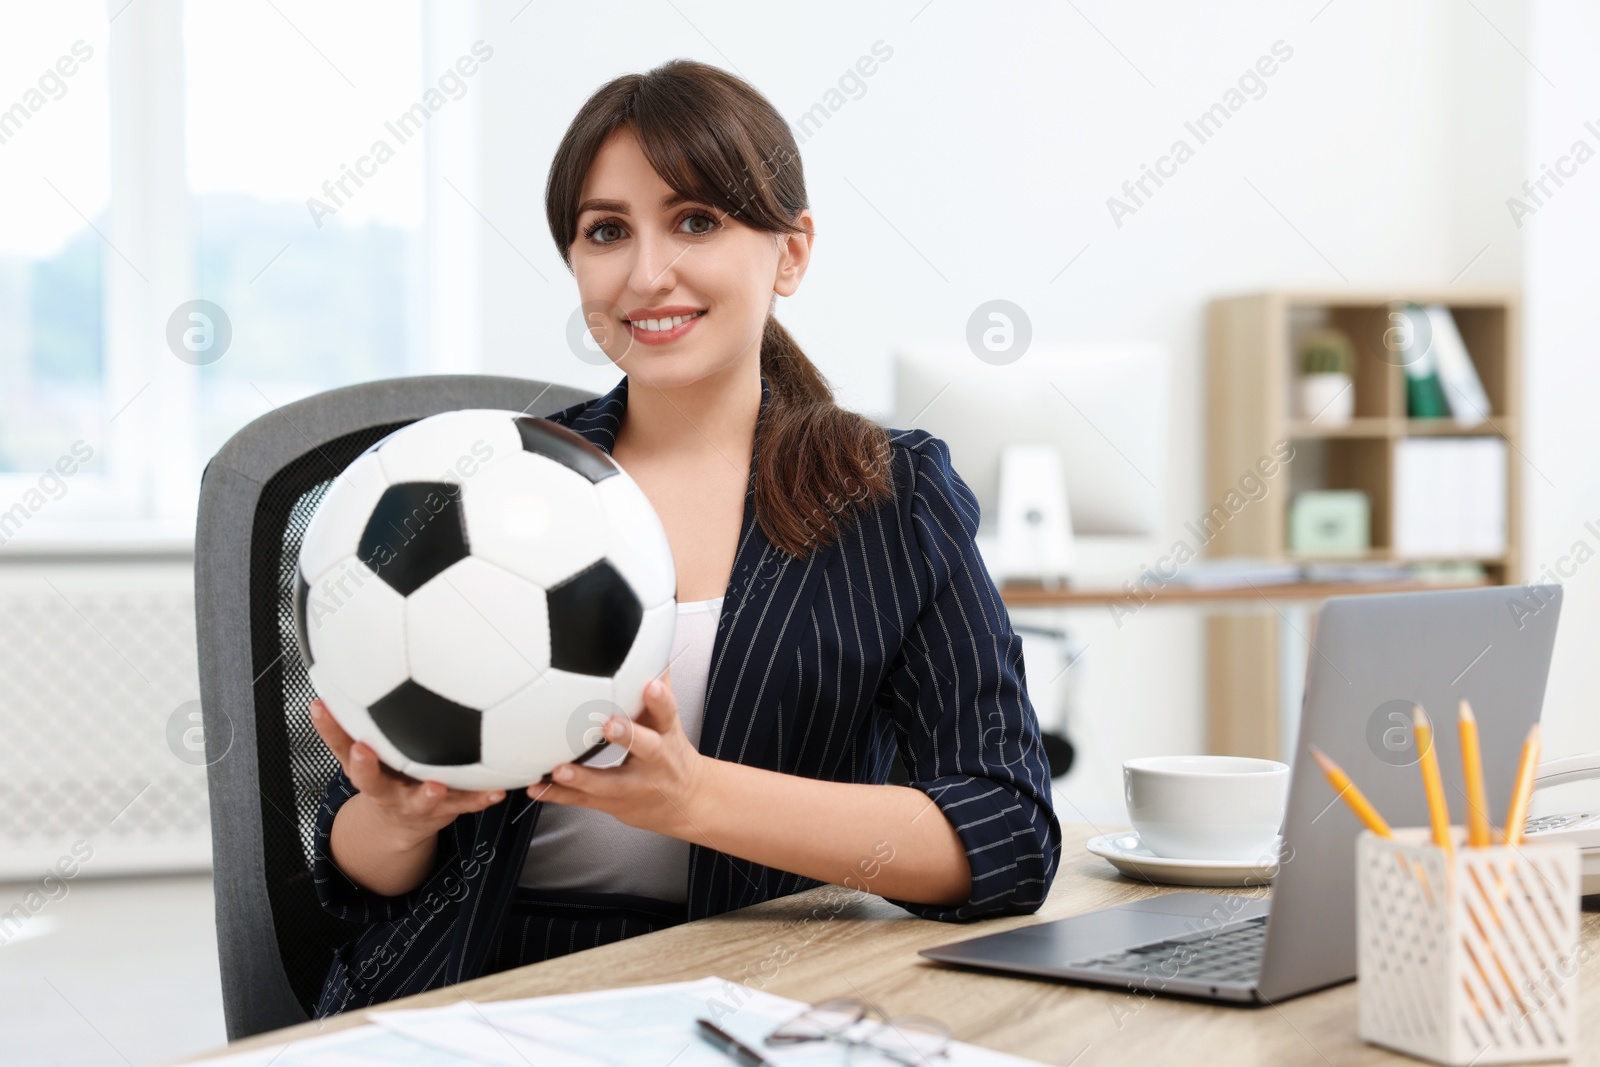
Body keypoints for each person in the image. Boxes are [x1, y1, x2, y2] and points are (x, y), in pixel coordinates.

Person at [307, 57, 1060, 1018]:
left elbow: (1005, 834)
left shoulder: (892, 494)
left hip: (765, 990)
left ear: (791, 252)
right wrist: (393, 816)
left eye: (696, 220)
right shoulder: (483, 483)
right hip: (483, 982)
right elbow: (355, 864)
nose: (646, 273)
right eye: (606, 231)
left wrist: (695, 797)